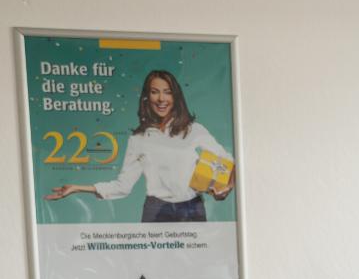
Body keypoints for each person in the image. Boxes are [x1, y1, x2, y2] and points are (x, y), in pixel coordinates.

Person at [44, 69, 234, 222]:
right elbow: (123, 185)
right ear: (147, 97)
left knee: (197, 266)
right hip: (156, 212)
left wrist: (222, 189)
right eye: (155, 92)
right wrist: (78, 188)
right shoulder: (138, 139)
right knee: (150, 269)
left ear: (175, 97)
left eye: (167, 92)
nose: (161, 99)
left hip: (192, 209)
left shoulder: (194, 130)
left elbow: (226, 161)